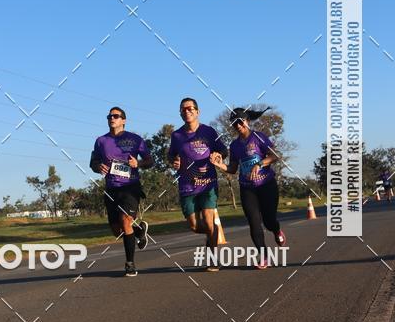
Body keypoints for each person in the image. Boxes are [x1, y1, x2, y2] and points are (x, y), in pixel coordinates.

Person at [211, 107, 285, 269]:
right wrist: (220, 165)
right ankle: (264, 257)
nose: (237, 125)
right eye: (234, 123)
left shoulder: (259, 137)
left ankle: (276, 230)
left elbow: (274, 156)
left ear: (247, 121)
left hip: (267, 185)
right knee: (254, 222)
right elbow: (233, 169)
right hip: (247, 188)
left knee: (269, 220)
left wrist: (260, 164)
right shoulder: (235, 146)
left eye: (240, 121)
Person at [90, 107, 153, 277]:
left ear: (124, 120)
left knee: (125, 222)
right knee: (117, 230)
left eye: (116, 116)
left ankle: (130, 264)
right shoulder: (101, 141)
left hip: (130, 186)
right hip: (111, 188)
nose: (112, 118)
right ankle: (139, 231)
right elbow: (93, 162)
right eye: (109, 116)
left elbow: (150, 161)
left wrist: (137, 164)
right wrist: (98, 167)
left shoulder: (135, 139)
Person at [167, 98, 228, 271]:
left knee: (208, 221)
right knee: (194, 226)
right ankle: (212, 232)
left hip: (208, 183)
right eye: (183, 109)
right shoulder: (176, 135)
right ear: (180, 113)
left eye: (190, 108)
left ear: (197, 111)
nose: (187, 111)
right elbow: (171, 155)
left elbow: (223, 150)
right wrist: (174, 161)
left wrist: (218, 154)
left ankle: (213, 258)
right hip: (187, 185)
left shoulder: (209, 131)